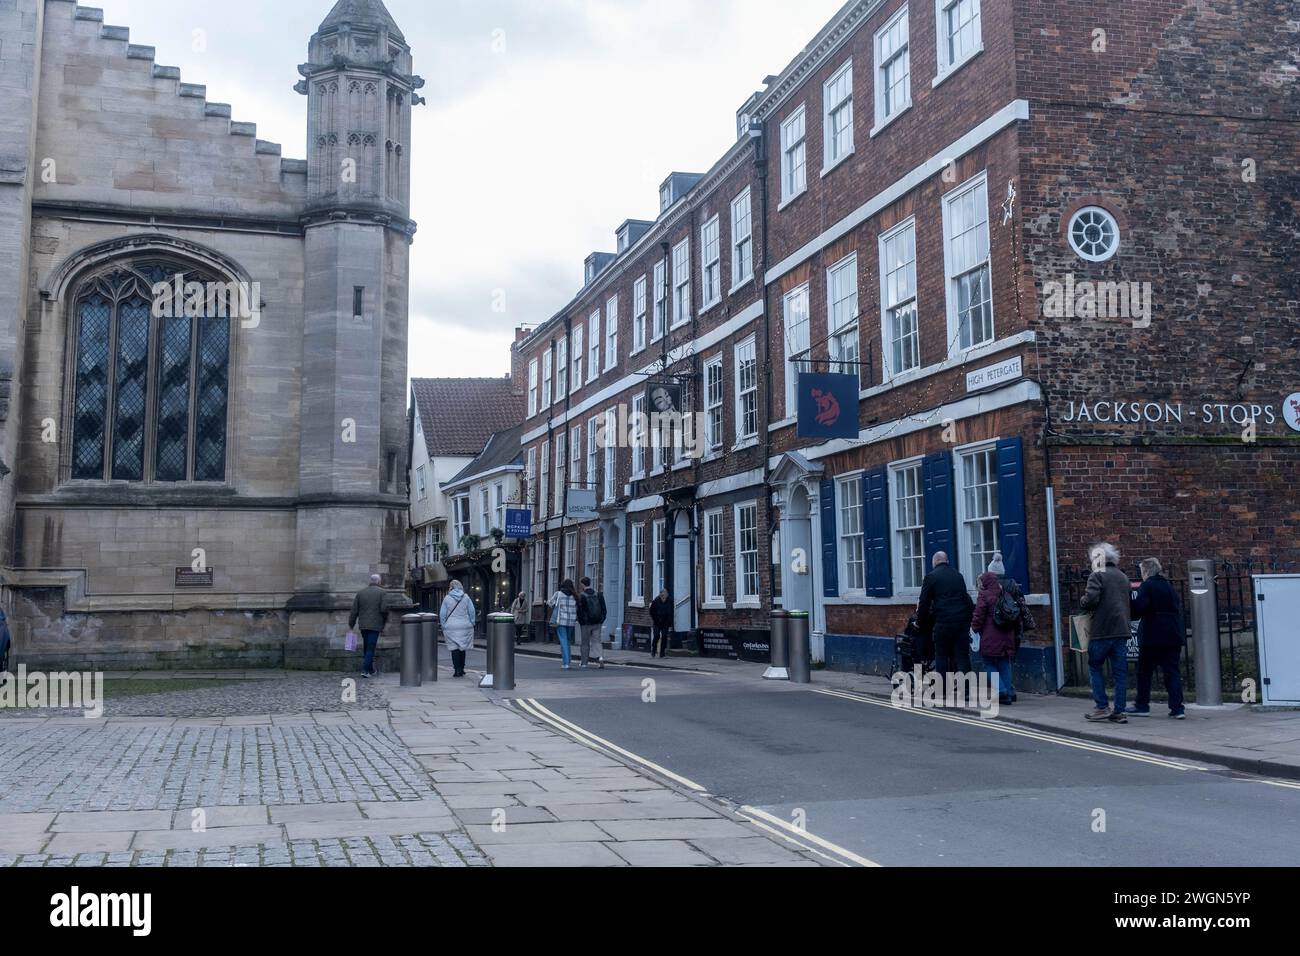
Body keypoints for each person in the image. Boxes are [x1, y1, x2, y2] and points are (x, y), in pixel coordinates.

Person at [1080, 542, 1132, 723]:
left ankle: (1102, 707)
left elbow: (1091, 599)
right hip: (1122, 631)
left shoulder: (1097, 575)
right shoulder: (1122, 576)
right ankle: (1120, 711)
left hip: (1102, 630)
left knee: (1095, 667)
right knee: (1120, 673)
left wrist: (1083, 600)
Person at [1130, 558, 1186, 719]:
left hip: (1152, 635)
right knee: (1172, 672)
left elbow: (1139, 609)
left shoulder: (1147, 586)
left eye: (1141, 570)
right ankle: (1177, 708)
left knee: (1144, 672)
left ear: (1146, 570)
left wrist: (1130, 602)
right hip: (1173, 635)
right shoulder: (1168, 586)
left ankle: (1142, 706)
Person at [916, 552, 974, 679]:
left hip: (943, 622)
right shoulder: (958, 576)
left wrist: (920, 622)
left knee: (941, 656)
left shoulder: (931, 577)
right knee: (962, 656)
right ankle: (967, 690)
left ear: (935, 561)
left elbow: (923, 603)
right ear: (946, 561)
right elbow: (965, 599)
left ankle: (942, 689)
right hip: (961, 623)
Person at [970, 554, 1019, 705]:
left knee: (988, 663)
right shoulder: (1006, 592)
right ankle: (1010, 692)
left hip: (990, 636)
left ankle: (1001, 691)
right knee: (1004, 662)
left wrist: (974, 628)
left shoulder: (984, 595)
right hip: (1007, 633)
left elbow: (978, 616)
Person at [348, 574, 389, 678]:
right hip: (375, 625)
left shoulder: (361, 593)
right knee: (370, 648)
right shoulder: (382, 593)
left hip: (363, 625)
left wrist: (351, 625)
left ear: (370, 581)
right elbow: (384, 609)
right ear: (379, 582)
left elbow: (354, 611)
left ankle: (370, 669)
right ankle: (365, 670)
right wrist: (384, 621)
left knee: (367, 647)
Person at [440, 579, 476, 678]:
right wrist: (472, 622)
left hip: (451, 626)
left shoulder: (447, 598)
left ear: (451, 587)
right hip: (465, 625)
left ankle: (457, 670)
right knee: (462, 648)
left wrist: (443, 625)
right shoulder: (466, 597)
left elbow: (442, 614)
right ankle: (462, 669)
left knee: (454, 649)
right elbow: (471, 611)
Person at [577, 577, 607, 669]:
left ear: (582, 584)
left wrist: (581, 621)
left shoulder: (581, 596)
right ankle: (600, 657)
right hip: (597, 622)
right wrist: (601, 619)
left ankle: (584, 663)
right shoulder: (598, 594)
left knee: (585, 643)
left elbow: (580, 611)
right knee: (597, 641)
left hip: (586, 624)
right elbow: (604, 609)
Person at [548, 579, 578, 669]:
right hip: (571, 621)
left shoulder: (558, 594)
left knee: (563, 641)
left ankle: (566, 663)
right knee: (568, 640)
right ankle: (568, 660)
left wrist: (548, 603)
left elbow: (550, 603)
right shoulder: (575, 595)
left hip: (560, 620)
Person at [649, 589, 673, 659]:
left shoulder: (670, 601)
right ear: (660, 594)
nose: (664, 596)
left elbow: (671, 612)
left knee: (665, 636)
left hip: (665, 622)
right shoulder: (656, 601)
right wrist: (656, 619)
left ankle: (662, 652)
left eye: (665, 594)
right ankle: (654, 649)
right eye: (662, 594)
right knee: (656, 636)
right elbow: (651, 612)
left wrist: (670, 622)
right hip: (657, 622)